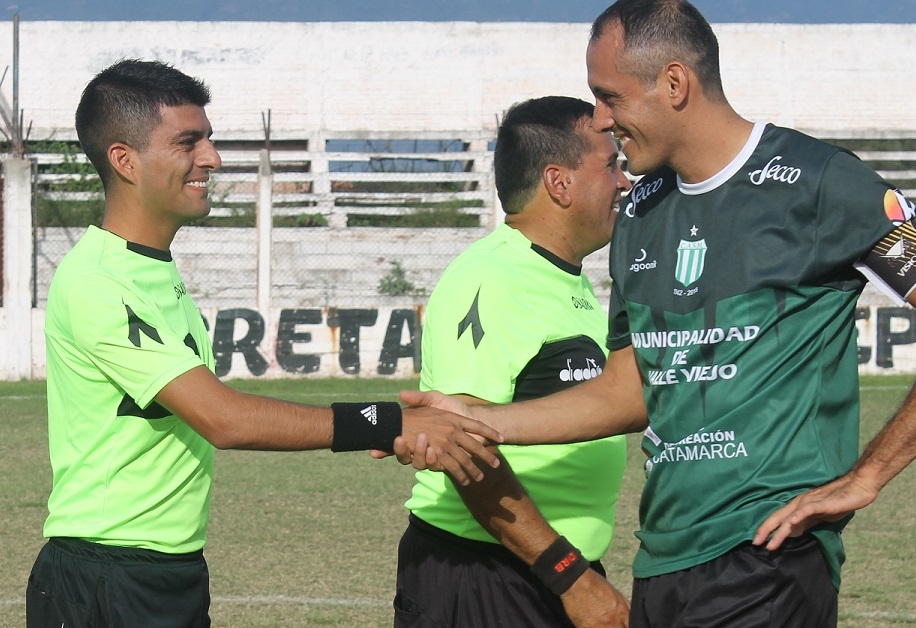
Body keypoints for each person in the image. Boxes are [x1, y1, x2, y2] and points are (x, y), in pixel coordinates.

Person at [395, 1, 916, 626]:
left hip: (771, 550)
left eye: (609, 96)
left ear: (674, 83)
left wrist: (869, 475)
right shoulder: (641, 213)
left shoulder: (822, 183)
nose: (599, 117)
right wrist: (480, 420)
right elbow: (627, 389)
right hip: (663, 559)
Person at [25, 59, 499, 628]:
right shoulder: (97, 281)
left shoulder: (151, 269)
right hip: (103, 576)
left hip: (166, 568)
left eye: (209, 139)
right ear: (125, 160)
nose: (212, 158)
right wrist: (385, 421)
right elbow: (224, 419)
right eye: (188, 143)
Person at [393, 96, 632, 627]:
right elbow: (462, 446)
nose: (624, 181)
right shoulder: (493, 277)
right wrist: (571, 576)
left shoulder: (565, 279)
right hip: (488, 574)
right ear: (559, 182)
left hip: (545, 569)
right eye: (610, 164)